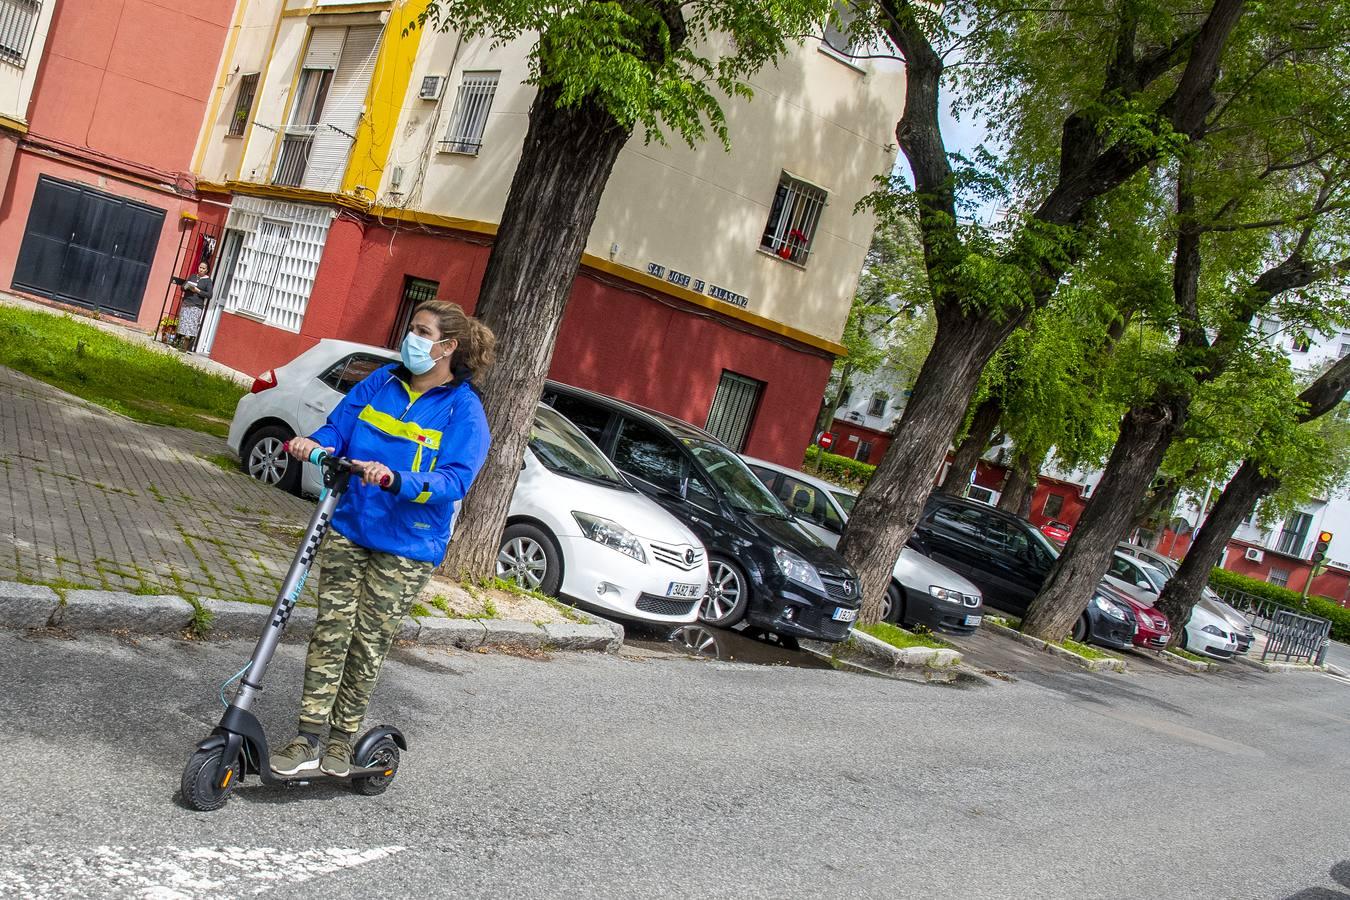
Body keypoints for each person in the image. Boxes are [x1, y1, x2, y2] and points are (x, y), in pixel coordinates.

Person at [270, 300, 496, 777]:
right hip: (352, 523)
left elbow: (455, 481)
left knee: (367, 642)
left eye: (421, 331)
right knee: (331, 629)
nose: (409, 338)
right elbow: (340, 427)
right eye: (411, 328)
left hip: (407, 544)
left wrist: (397, 479)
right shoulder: (382, 381)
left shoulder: (464, 410)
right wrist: (318, 444)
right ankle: (306, 737)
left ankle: (340, 739)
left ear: (448, 347)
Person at [176, 263, 213, 351]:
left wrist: (198, 290)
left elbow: (209, 295)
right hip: (187, 303)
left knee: (191, 326)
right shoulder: (192, 276)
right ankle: (177, 344)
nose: (201, 269)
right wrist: (186, 286)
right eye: (200, 267)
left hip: (196, 306)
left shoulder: (208, 281)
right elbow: (182, 287)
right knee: (183, 324)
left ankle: (185, 347)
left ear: (206, 270)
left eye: (203, 268)